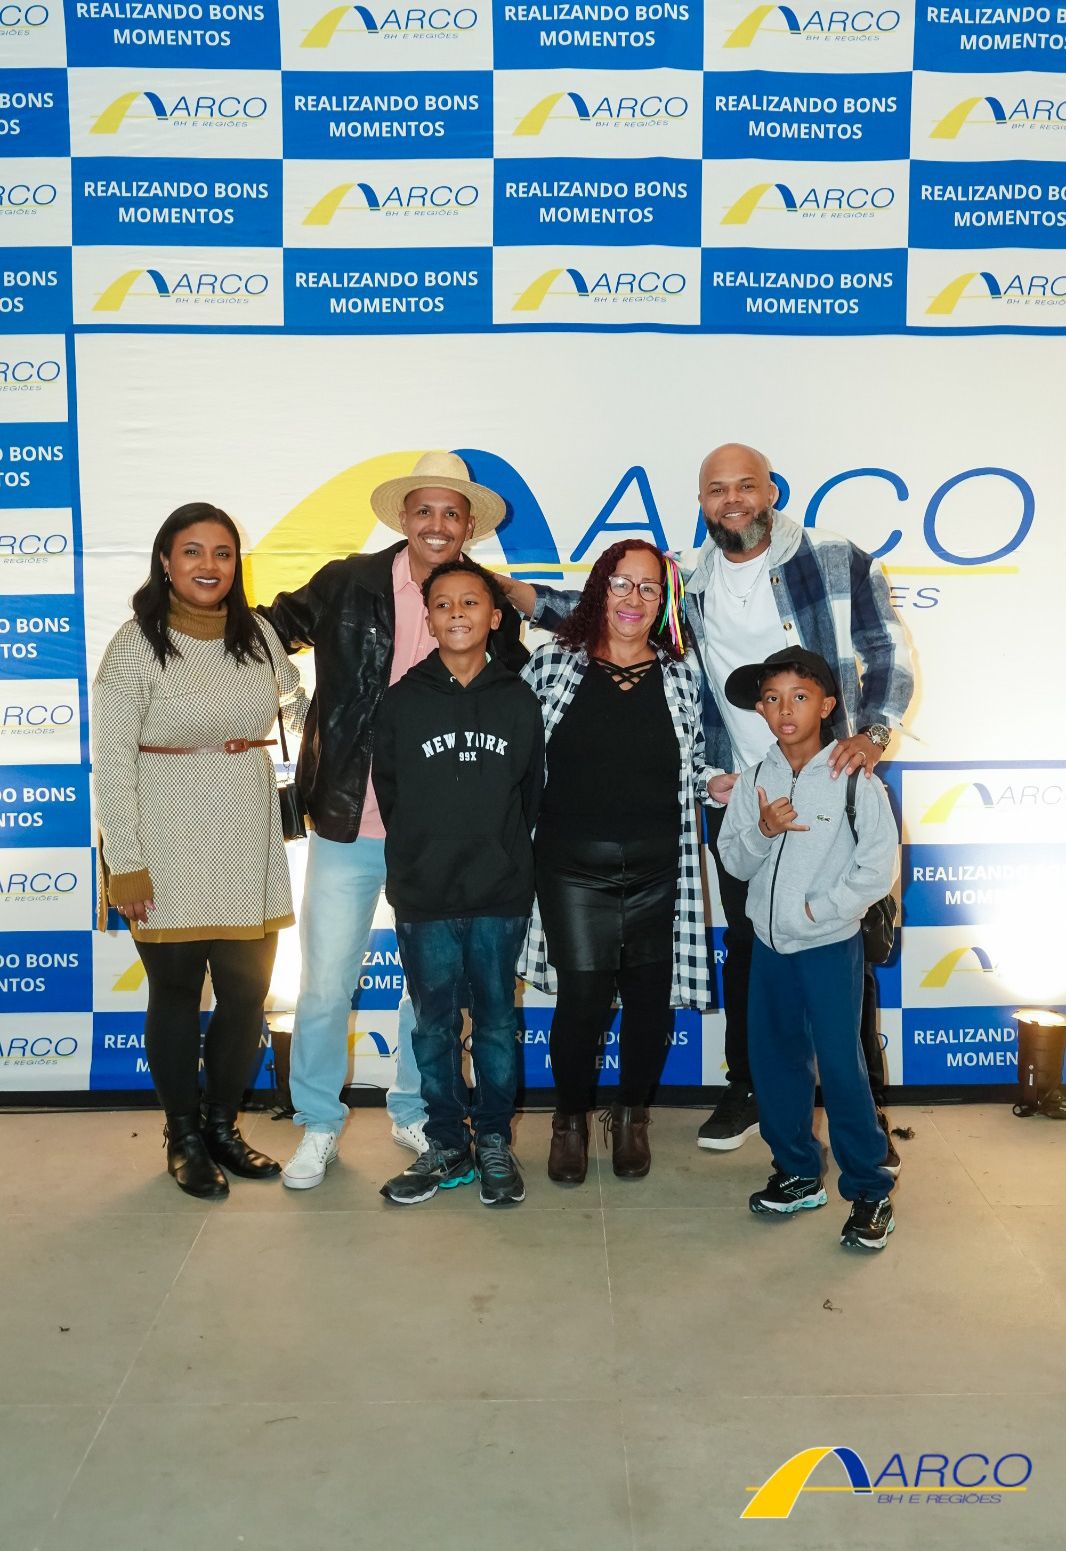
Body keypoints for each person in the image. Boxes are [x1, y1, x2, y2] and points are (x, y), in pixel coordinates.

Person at [499, 444, 913, 1158]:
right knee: (751, 945)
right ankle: (750, 1088)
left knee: (843, 946)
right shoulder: (687, 578)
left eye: (745, 486)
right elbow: (603, 609)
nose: (732, 500)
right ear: (702, 502)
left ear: (771, 491)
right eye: (717, 489)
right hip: (740, 791)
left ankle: (863, 1118)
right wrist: (506, 590)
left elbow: (886, 648)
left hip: (828, 782)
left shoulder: (834, 558)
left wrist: (873, 734)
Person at [258, 451, 528, 1190]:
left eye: (451, 512)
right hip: (349, 819)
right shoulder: (347, 582)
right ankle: (318, 1122)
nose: (437, 524)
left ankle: (417, 1109)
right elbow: (265, 632)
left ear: (468, 525)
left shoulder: (488, 601)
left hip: (443, 832)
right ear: (403, 517)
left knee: (432, 992)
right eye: (425, 510)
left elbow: (509, 705)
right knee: (323, 985)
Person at [93, 502, 304, 1199]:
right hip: (164, 838)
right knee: (178, 993)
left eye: (222, 552)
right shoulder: (134, 644)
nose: (209, 565)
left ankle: (221, 1126)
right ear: (165, 560)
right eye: (192, 551)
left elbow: (294, 699)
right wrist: (125, 862)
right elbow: (111, 763)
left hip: (247, 833)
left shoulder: (260, 635)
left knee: (245, 993)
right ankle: (182, 1135)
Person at [519, 539, 712, 1184]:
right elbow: (516, 759)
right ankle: (569, 1121)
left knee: (650, 1005)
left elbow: (696, 765)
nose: (634, 598)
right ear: (599, 590)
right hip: (571, 869)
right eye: (621, 584)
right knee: (583, 1001)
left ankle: (632, 1117)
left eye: (649, 588)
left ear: (663, 602)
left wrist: (720, 785)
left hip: (660, 869)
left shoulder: (682, 674)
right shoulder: (552, 664)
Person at [717, 648, 900, 1250]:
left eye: (799, 697)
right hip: (769, 949)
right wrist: (763, 829)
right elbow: (734, 860)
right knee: (775, 1064)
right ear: (760, 710)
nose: (784, 710)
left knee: (842, 1068)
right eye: (772, 699)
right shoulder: (755, 779)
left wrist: (820, 912)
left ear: (826, 706)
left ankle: (870, 1190)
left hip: (827, 947)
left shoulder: (854, 778)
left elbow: (877, 869)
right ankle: (797, 1172)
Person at [374, 558, 543, 1206]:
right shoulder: (402, 701)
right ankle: (446, 1142)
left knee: (497, 1022)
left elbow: (531, 794)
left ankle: (494, 1138)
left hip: (500, 893)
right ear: (428, 617)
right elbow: (391, 792)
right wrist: (423, 858)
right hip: (426, 895)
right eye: (443, 604)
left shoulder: (517, 698)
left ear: (495, 616)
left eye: (470, 602)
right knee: (433, 1026)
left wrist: (499, 856)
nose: (457, 614)